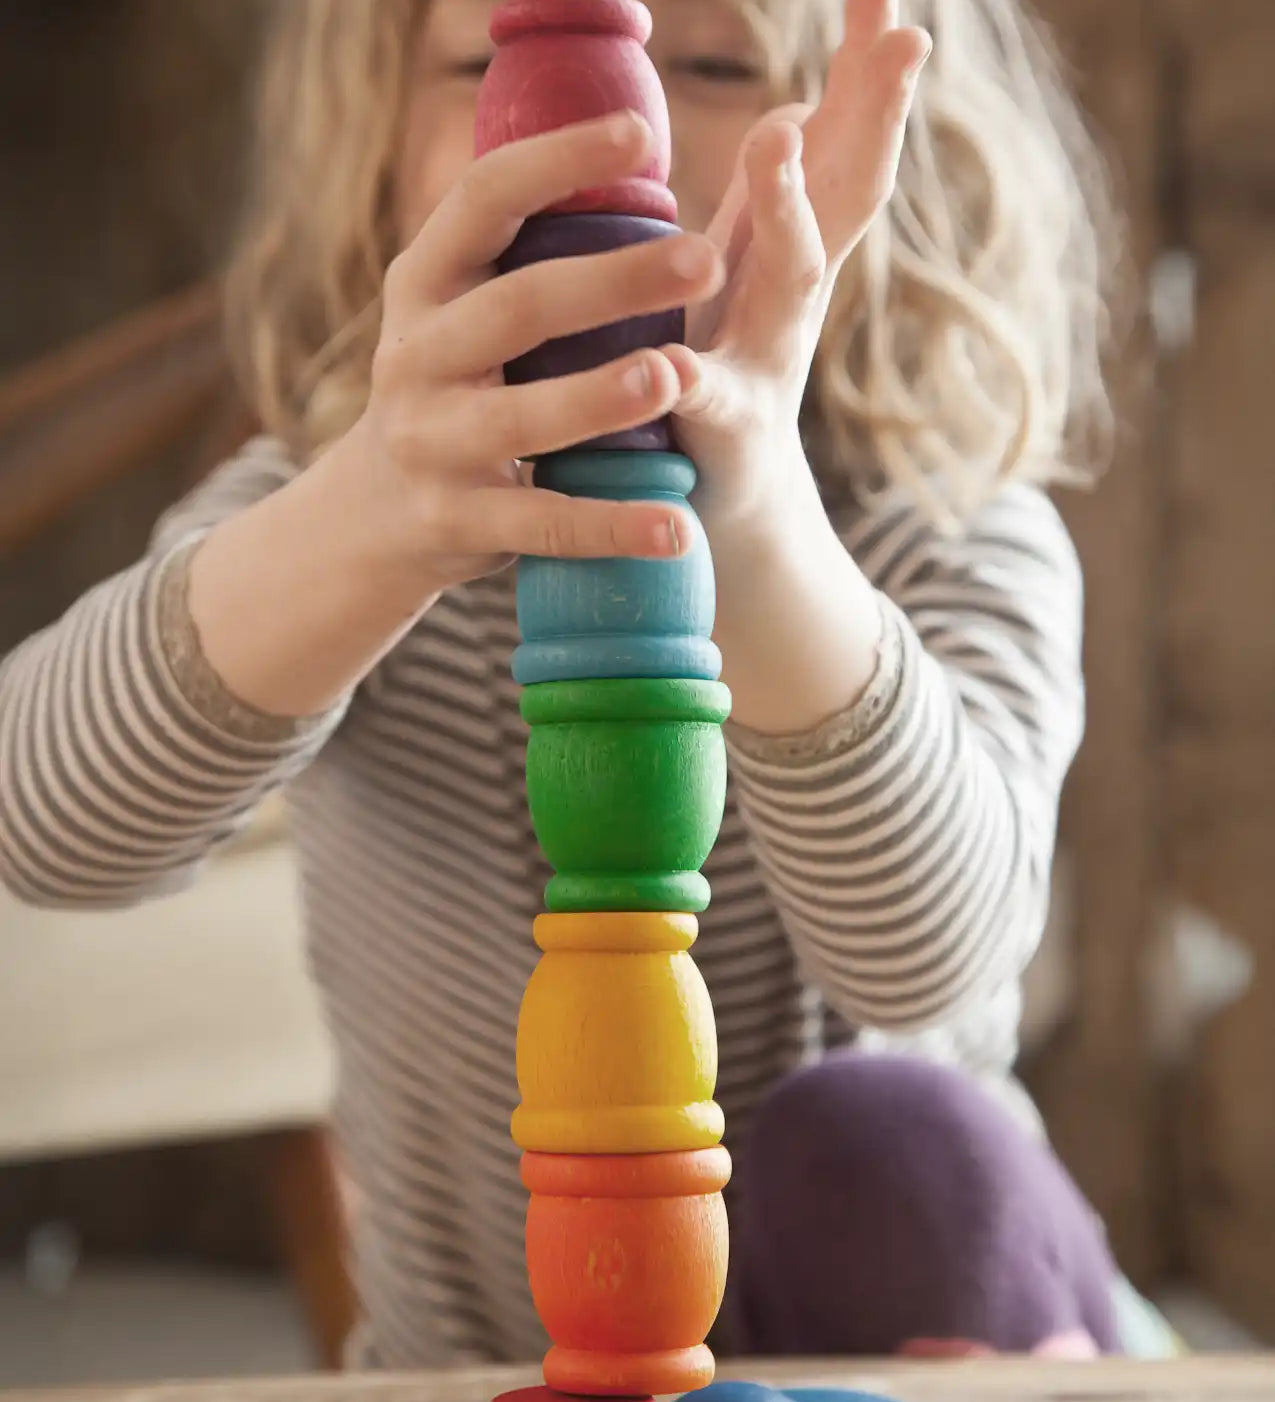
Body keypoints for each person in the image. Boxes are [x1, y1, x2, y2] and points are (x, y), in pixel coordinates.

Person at [0, 0, 1170, 1367]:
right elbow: (43, 827)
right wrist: (371, 521)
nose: (626, 134)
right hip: (494, 1356)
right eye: (506, 60)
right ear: (373, 149)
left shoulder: (942, 523)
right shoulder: (345, 509)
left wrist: (751, 519)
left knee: (894, 1140)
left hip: (907, 1327)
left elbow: (930, 954)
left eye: (717, 64)